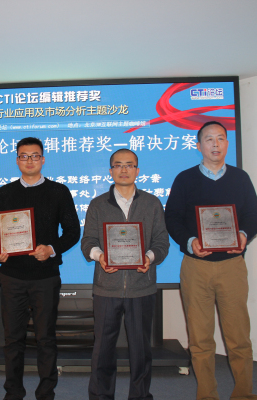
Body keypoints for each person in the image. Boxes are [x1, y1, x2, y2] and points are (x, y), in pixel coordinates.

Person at [164, 121, 257, 400]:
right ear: (198, 146)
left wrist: (243, 234)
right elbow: (172, 218)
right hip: (196, 267)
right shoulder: (184, 179)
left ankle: (244, 394)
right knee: (200, 338)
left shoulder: (241, 178)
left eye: (220, 138)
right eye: (209, 139)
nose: (215, 144)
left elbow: (253, 216)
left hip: (232, 266)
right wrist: (190, 242)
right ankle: (207, 394)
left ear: (227, 144)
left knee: (238, 337)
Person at [0, 137, 80, 400]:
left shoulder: (59, 191)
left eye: (34, 156)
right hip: (12, 276)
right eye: (23, 156)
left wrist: (51, 249)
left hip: (45, 277)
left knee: (46, 339)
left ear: (43, 159)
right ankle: (13, 392)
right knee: (12, 339)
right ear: (17, 160)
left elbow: (73, 231)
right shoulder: (5, 192)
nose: (29, 160)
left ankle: (46, 392)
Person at [81, 149, 170, 400]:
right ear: (110, 171)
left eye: (129, 165)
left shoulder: (152, 203)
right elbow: (88, 241)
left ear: (137, 170)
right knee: (103, 351)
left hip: (141, 288)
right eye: (118, 165)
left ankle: (140, 396)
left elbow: (161, 242)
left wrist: (148, 258)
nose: (123, 170)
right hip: (106, 288)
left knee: (141, 351)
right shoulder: (98, 204)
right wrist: (100, 256)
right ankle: (100, 396)